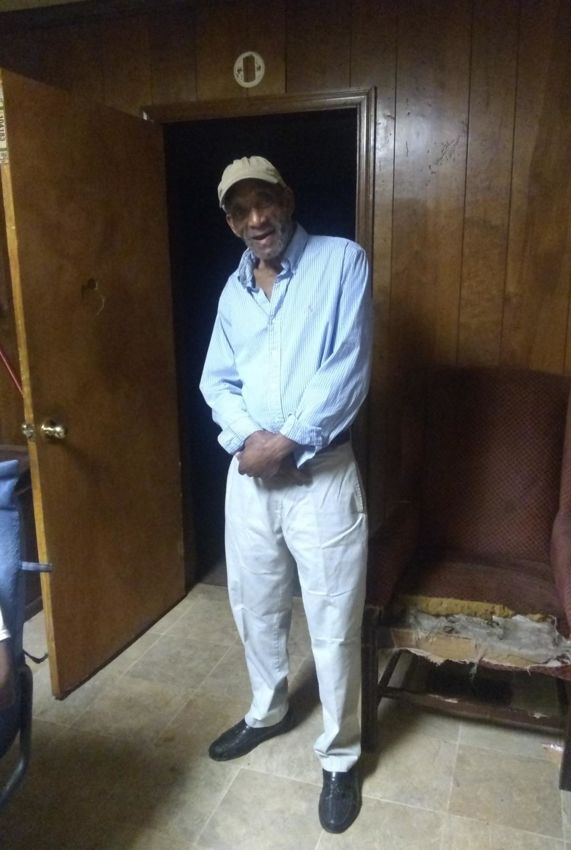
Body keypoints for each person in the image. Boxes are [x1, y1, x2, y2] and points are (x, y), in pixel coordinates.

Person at [200, 156, 373, 834]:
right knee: (255, 603)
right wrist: (250, 441)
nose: (255, 219)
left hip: (321, 474)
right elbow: (218, 382)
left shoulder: (341, 262)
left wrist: (288, 441)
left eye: (263, 202)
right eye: (239, 210)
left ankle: (340, 754)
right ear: (230, 222)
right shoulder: (232, 291)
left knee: (333, 619)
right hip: (250, 477)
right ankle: (267, 711)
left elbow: (347, 366)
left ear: (286, 199)